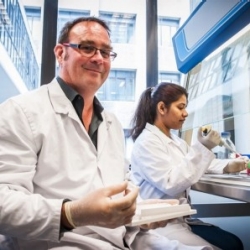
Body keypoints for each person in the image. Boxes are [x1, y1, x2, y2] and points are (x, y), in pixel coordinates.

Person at [0, 17, 216, 250]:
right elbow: (3, 203)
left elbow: (123, 191)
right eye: (87, 47)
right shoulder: (20, 111)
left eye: (106, 52)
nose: (98, 58)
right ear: (61, 53)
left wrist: (141, 210)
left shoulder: (110, 123)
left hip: (127, 238)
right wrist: (71, 214)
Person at [129, 82, 247, 250]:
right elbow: (171, 183)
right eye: (180, 107)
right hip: (162, 224)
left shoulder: (175, 141)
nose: (185, 114)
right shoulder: (146, 143)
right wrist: (203, 147)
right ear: (162, 108)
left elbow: (197, 162)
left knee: (234, 243)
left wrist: (228, 165)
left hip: (181, 219)